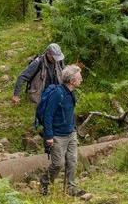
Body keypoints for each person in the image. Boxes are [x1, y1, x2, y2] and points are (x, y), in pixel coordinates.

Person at [39, 65, 91, 200]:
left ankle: (71, 188)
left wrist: (73, 129)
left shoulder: (71, 93)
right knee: (58, 164)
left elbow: (69, 113)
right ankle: (44, 181)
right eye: (79, 77)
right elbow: (48, 116)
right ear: (72, 80)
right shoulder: (58, 93)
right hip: (56, 136)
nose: (82, 80)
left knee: (72, 161)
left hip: (71, 133)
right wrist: (49, 136)